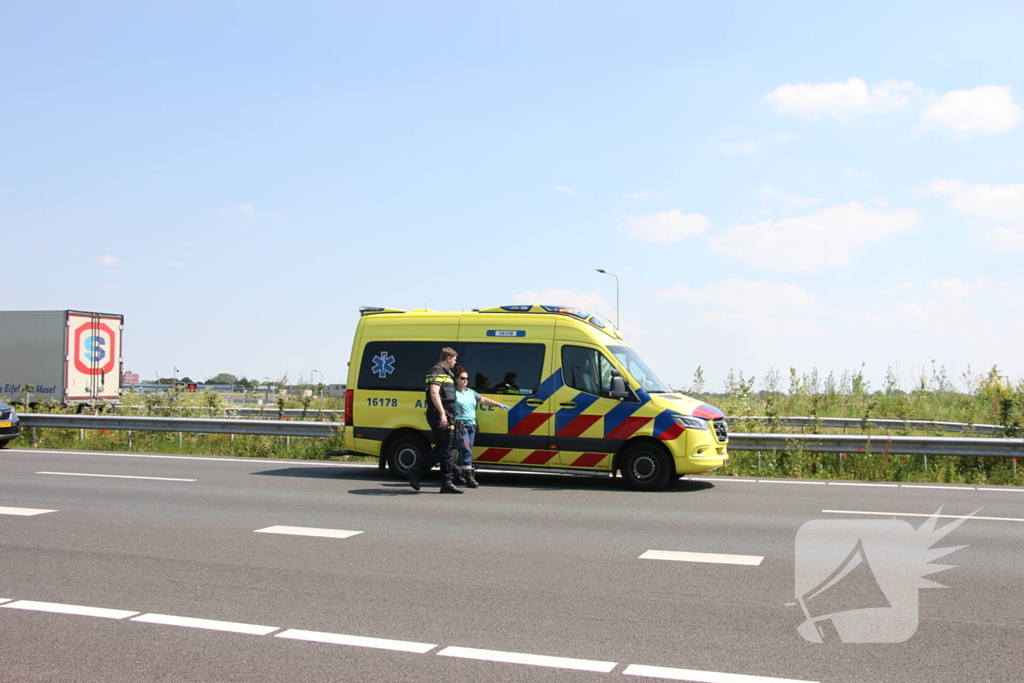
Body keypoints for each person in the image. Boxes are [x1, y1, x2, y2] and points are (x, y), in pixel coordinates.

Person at [408, 347, 462, 494]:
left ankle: (447, 482)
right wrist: (442, 414)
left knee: (450, 448)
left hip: (449, 414)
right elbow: (434, 392)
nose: (455, 362)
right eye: (454, 359)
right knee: (444, 447)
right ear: (448, 358)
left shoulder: (447, 373)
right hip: (439, 414)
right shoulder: (436, 371)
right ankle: (417, 470)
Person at [453, 366, 510, 487]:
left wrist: (498, 404)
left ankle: (457, 474)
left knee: (467, 450)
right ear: (457, 379)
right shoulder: (452, 392)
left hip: (471, 425)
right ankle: (469, 476)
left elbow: (483, 400)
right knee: (465, 449)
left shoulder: (470, 392)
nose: (465, 381)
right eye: (462, 378)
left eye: (467, 379)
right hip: (459, 424)